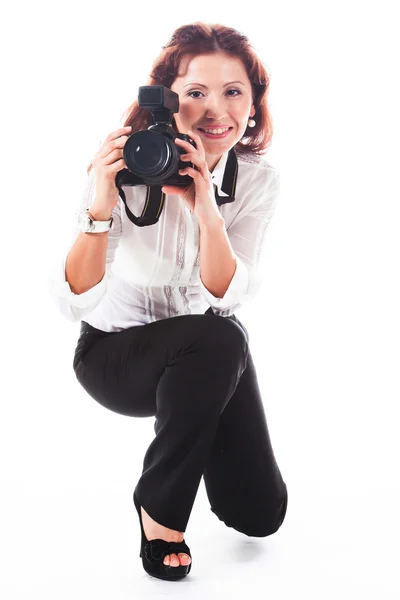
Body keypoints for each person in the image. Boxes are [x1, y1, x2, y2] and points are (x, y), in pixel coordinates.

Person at [48, 21, 288, 581]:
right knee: (221, 335)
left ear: (253, 105)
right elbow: (74, 303)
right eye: (196, 93)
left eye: (233, 92)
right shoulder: (123, 167)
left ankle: (218, 465)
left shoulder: (257, 182)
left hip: (205, 358)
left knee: (261, 515)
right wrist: (102, 203)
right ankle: (161, 513)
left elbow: (228, 292)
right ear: (165, 100)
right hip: (115, 358)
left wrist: (205, 207)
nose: (216, 111)